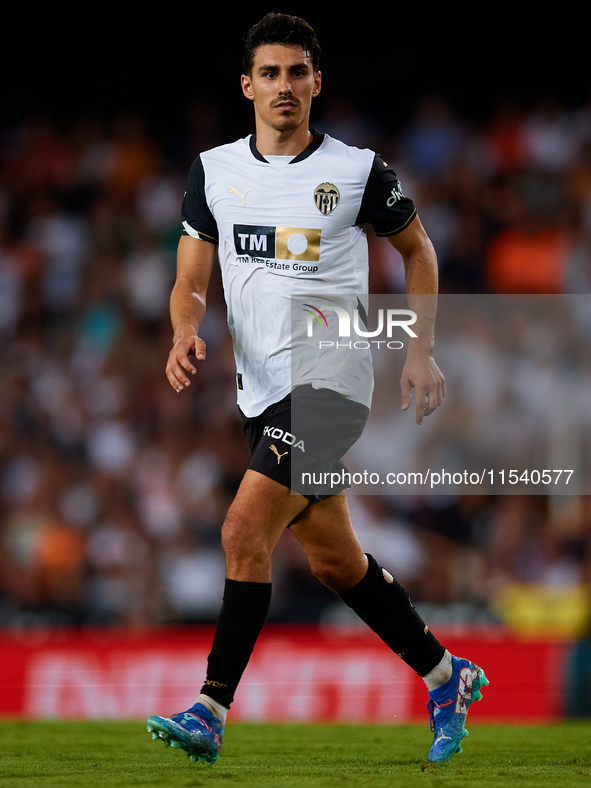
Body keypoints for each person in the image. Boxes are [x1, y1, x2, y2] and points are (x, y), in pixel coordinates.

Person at [146, 12, 488, 765]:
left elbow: (418, 250)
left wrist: (419, 350)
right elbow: (189, 279)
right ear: (247, 85)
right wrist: (182, 330)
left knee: (243, 530)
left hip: (333, 382)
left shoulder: (358, 170)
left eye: (296, 72)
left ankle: (209, 708)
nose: (283, 86)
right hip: (260, 392)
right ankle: (445, 673)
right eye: (269, 73)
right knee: (336, 562)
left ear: (316, 83)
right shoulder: (213, 172)